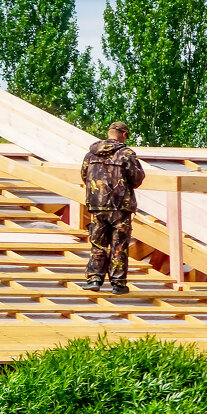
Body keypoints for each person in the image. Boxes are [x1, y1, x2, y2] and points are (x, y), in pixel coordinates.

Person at [80, 120, 145, 295]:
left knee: (98, 243)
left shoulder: (90, 154)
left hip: (97, 205)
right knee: (119, 245)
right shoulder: (127, 154)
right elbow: (137, 179)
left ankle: (94, 279)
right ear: (124, 135)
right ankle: (118, 283)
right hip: (120, 207)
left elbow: (84, 176)